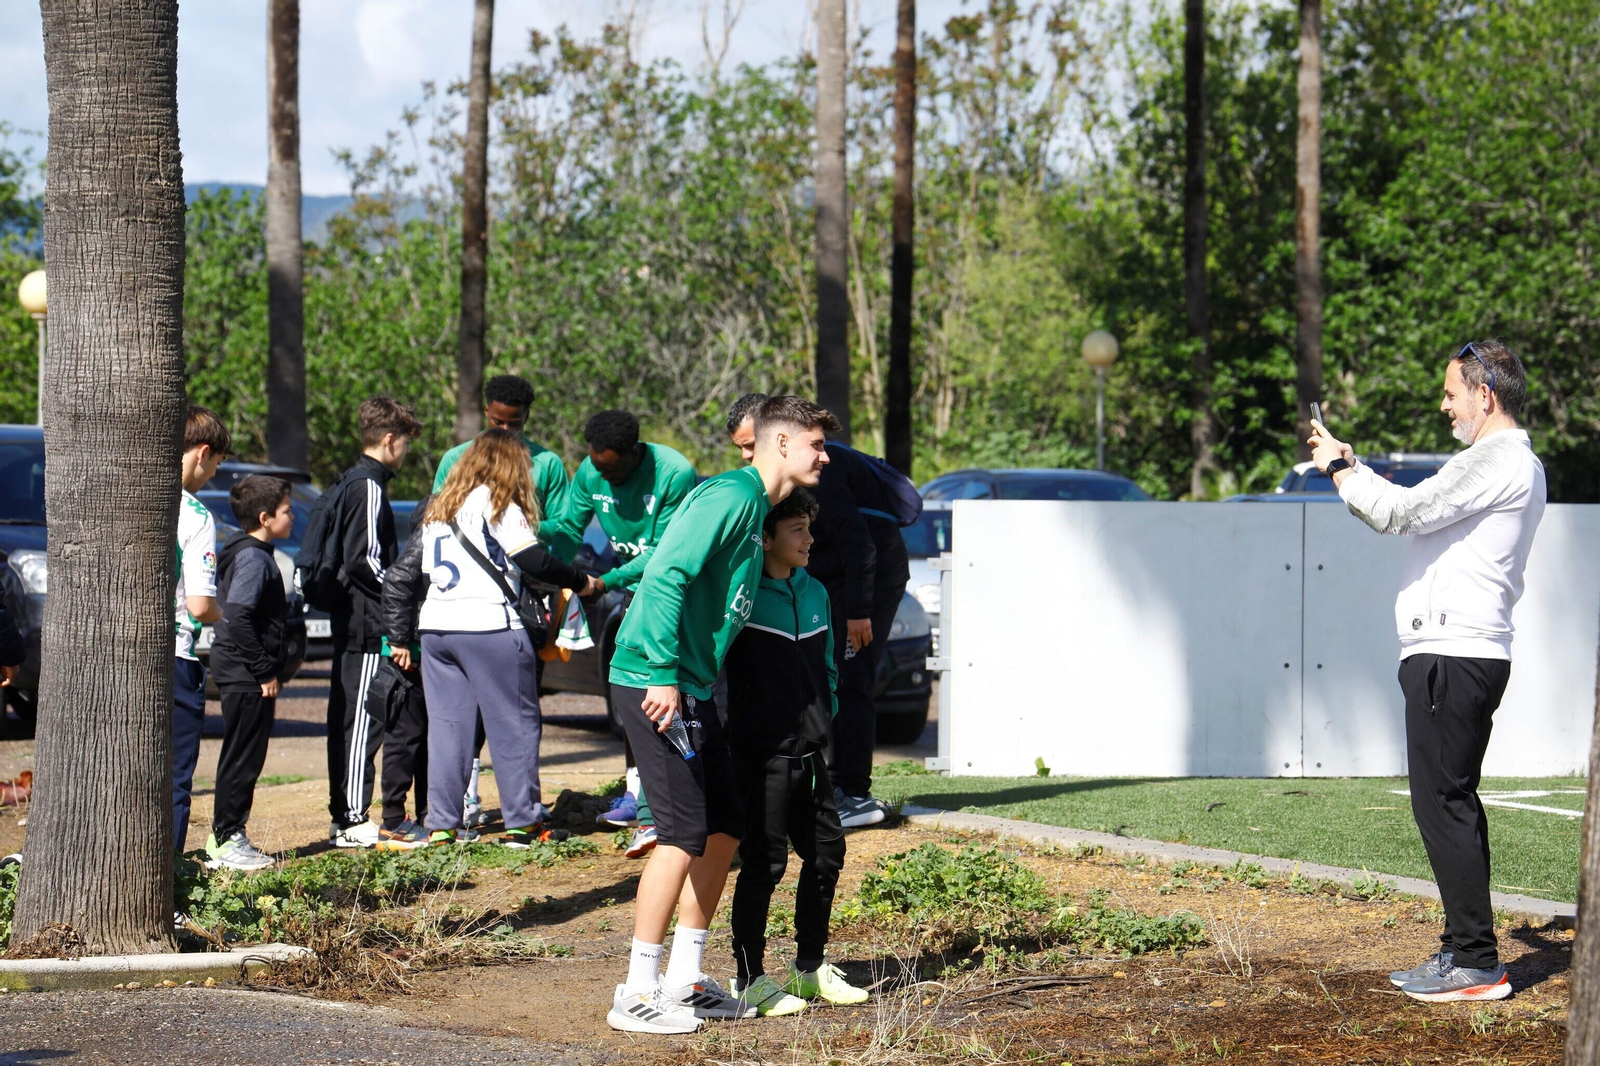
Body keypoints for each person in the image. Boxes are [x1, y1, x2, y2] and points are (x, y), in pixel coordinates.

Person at [1309, 339, 1544, 1005]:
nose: (1444, 404)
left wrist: (1338, 472)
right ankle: (1463, 951)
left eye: (1451, 392)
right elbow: (1417, 504)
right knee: (1445, 802)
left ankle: (1477, 963)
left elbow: (1400, 513)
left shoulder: (1498, 460)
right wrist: (1355, 465)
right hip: (1454, 652)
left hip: (1455, 655)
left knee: (1443, 803)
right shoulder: (1499, 463)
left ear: (1485, 394)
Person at [605, 395, 837, 1035]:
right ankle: (637, 989)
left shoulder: (758, 509)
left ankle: (685, 979)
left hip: (694, 685)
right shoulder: (731, 497)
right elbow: (667, 573)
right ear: (782, 444)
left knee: (725, 826)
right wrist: (661, 672)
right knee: (679, 831)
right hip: (655, 679)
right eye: (816, 444)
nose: (824, 455)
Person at [726, 393, 910, 828]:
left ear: (780, 438)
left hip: (868, 581)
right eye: (741, 448)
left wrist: (859, 612)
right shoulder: (772, 481)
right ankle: (824, 783)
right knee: (814, 677)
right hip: (832, 581)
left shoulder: (818, 472)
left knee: (851, 679)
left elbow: (858, 544)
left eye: (752, 444)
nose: (747, 455)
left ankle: (855, 792)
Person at [725, 487, 869, 1016]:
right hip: (760, 755)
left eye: (810, 528)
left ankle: (808, 970)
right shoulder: (742, 594)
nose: (809, 539)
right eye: (797, 531)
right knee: (763, 866)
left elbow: (828, 665)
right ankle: (749, 979)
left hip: (810, 755)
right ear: (766, 539)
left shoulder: (815, 592)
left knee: (828, 853)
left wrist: (823, 714)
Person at [418, 430, 597, 847]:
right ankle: (523, 824)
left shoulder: (438, 507)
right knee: (513, 725)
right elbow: (531, 558)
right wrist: (580, 581)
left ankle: (442, 825)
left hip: (437, 627)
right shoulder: (497, 501)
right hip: (489, 625)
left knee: (448, 728)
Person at [540, 409, 698, 857]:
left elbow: (666, 553)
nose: (601, 475)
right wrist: (536, 552)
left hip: (671, 596)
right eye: (596, 465)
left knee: (670, 699)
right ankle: (636, 795)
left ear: (633, 453)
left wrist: (604, 581)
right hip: (629, 595)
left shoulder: (673, 472)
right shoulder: (590, 471)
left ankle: (668, 804)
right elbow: (569, 529)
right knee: (629, 693)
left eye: (610, 467)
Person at [324, 396, 422, 849]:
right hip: (365, 625)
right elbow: (364, 560)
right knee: (363, 720)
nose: (404, 453)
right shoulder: (367, 486)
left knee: (354, 720)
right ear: (388, 440)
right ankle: (351, 818)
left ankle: (346, 815)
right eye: (404, 444)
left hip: (359, 621)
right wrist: (400, 594)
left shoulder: (355, 481)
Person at [205, 475, 294, 871]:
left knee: (244, 755)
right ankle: (227, 840)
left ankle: (226, 834)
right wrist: (262, 669)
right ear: (264, 517)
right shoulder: (254, 559)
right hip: (245, 674)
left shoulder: (251, 553)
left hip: (244, 671)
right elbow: (237, 616)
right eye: (287, 511)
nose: (292, 517)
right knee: (242, 757)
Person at [172, 404, 230, 854]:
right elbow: (199, 602)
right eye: (214, 466)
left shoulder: (129, 495)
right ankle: (163, 884)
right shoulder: (195, 515)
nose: (210, 475)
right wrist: (219, 615)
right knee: (172, 778)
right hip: (173, 656)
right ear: (202, 453)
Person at [374, 494, 435, 850]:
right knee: (404, 737)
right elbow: (396, 581)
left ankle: (429, 816)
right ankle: (394, 820)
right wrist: (399, 640)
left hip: (427, 653)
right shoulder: (429, 533)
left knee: (429, 739)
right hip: (407, 655)